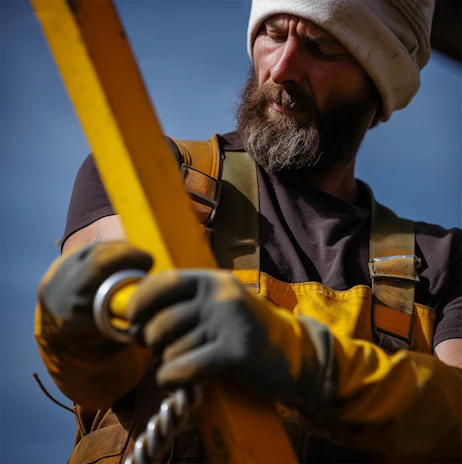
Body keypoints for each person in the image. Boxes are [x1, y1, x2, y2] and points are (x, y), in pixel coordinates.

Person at [35, 0, 461, 463]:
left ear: (378, 83)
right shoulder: (155, 176)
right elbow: (102, 374)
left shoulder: (439, 263)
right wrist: (74, 326)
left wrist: (303, 365)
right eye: (274, 34)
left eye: (321, 48)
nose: (281, 69)